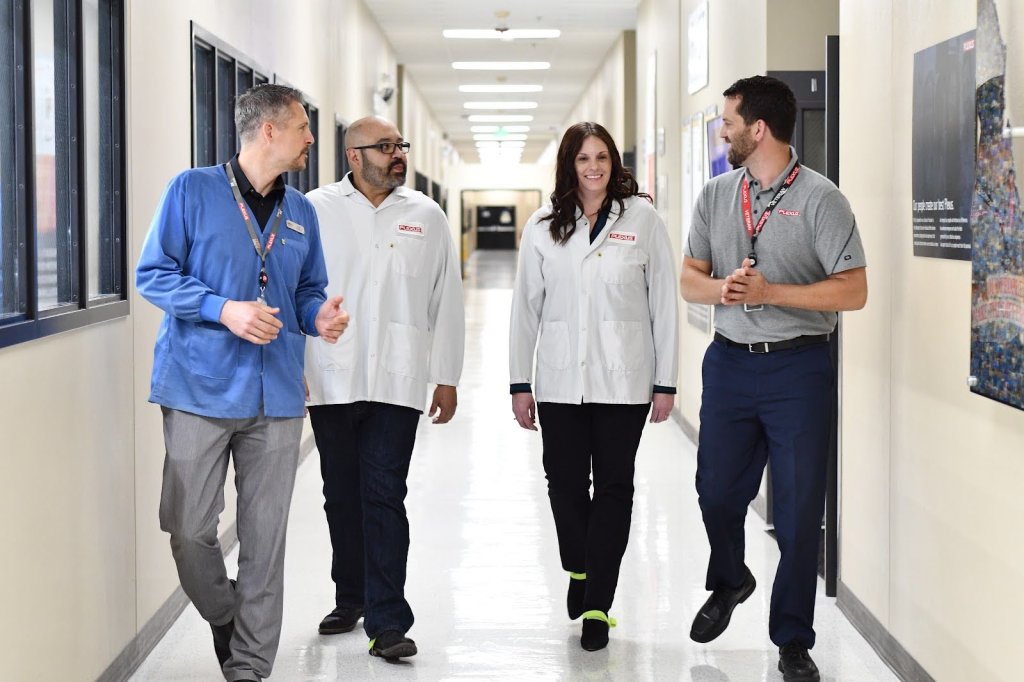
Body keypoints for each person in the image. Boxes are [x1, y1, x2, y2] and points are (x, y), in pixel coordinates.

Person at [136, 84, 349, 682]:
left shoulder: (301, 210)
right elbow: (153, 274)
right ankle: (226, 614)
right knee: (188, 529)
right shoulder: (191, 191)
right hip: (197, 389)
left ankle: (249, 667)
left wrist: (317, 317)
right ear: (269, 130)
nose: (311, 139)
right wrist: (223, 309)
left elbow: (307, 290)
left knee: (264, 541)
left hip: (275, 394)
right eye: (303, 127)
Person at [680, 75, 867, 682]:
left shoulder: (822, 199)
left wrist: (771, 292)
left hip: (799, 369)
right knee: (715, 492)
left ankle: (792, 639)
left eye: (729, 122)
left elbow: (854, 291)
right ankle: (731, 578)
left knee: (796, 513)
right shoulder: (715, 195)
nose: (723, 132)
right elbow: (689, 278)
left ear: (758, 129)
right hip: (730, 362)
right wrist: (724, 289)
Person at [509, 121, 679, 652]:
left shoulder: (642, 220)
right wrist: (519, 382)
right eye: (583, 158)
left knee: (614, 488)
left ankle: (598, 604)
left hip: (625, 380)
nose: (594, 167)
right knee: (563, 484)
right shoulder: (542, 225)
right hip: (560, 380)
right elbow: (525, 309)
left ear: (614, 162)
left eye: (602, 157)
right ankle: (578, 567)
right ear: (569, 165)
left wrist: (666, 382)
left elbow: (663, 303)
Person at [304, 115, 465, 661]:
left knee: (384, 493)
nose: (398, 154)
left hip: (398, 377)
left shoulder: (426, 214)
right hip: (331, 373)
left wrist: (447, 375)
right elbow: (295, 287)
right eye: (385, 146)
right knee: (340, 495)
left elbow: (446, 297)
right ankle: (350, 595)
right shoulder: (315, 209)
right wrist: (293, 362)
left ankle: (388, 620)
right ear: (354, 155)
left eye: (401, 145)